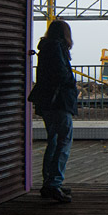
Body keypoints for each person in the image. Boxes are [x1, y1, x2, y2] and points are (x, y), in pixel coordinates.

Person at [27, 19, 78, 203]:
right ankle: (53, 183)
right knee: (63, 141)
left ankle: (50, 182)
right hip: (59, 102)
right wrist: (72, 83)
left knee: (54, 141)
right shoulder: (57, 48)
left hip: (47, 102)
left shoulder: (45, 47)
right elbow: (61, 74)